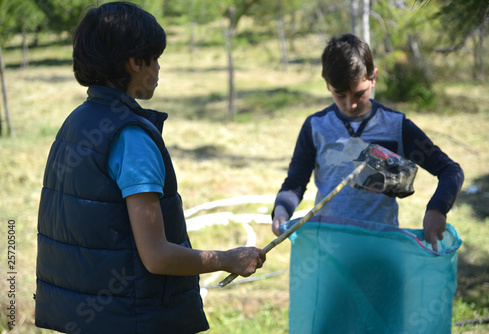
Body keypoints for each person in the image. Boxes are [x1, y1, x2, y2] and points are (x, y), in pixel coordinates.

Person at [35, 2, 265, 333]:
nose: (158, 69)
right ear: (135, 61)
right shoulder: (131, 138)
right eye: (154, 59)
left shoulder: (76, 123)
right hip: (134, 319)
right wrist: (228, 258)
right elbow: (156, 256)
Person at [271, 34, 464, 251]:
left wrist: (437, 209)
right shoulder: (315, 127)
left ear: (373, 78)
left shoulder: (396, 126)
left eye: (359, 94)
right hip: (330, 249)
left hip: (381, 247)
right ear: (327, 85)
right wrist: (281, 210)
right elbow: (295, 184)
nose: (350, 104)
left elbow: (450, 170)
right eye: (340, 95)